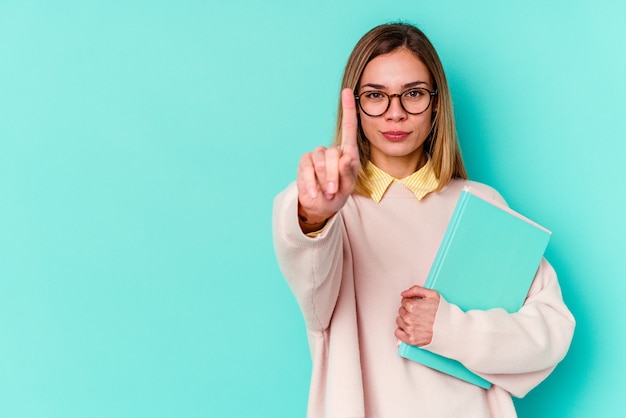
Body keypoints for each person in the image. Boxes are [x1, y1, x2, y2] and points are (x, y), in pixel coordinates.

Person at [272, 23, 575, 418]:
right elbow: (311, 283)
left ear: (436, 103)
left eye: (413, 94)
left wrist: (450, 330)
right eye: (376, 96)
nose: (395, 113)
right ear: (356, 105)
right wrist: (314, 214)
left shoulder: (482, 204)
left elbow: (551, 330)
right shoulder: (333, 212)